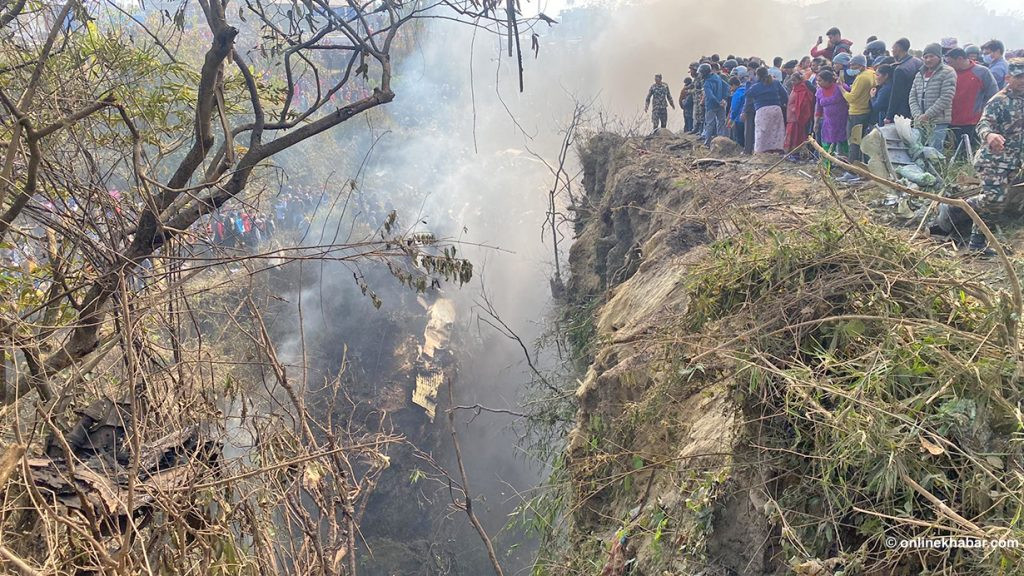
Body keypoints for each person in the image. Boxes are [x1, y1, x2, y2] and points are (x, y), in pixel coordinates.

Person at [943, 59, 1024, 253]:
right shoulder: (999, 100)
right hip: (993, 161)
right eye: (1019, 77)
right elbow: (983, 123)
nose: (1023, 81)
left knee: (997, 204)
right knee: (993, 200)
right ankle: (958, 206)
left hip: (1014, 161)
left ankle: (976, 245)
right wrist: (990, 135)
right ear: (1008, 78)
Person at [910, 43, 957, 151]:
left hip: (938, 120)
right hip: (920, 121)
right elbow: (912, 96)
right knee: (917, 150)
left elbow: (946, 97)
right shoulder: (919, 74)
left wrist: (927, 115)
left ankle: (935, 168)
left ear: (939, 57)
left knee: (933, 151)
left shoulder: (948, 72)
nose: (928, 60)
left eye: (931, 56)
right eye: (925, 57)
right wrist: (917, 115)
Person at [947, 48, 998, 147]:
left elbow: (993, 96)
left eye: (950, 62)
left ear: (960, 59)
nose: (949, 65)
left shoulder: (982, 72)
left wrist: (982, 112)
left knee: (972, 152)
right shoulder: (949, 73)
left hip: (973, 122)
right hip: (952, 122)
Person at [744, 67, 789, 153]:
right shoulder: (776, 82)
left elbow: (747, 94)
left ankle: (762, 152)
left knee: (762, 132)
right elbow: (785, 95)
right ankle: (777, 150)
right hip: (776, 109)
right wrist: (781, 103)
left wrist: (749, 82)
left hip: (762, 111)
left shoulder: (756, 86)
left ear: (757, 75)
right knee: (776, 131)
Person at [842, 54, 877, 163]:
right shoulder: (871, 73)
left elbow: (851, 98)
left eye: (853, 65)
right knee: (863, 143)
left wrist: (841, 88)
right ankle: (864, 168)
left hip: (857, 113)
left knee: (854, 142)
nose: (851, 68)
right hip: (866, 111)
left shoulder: (862, 78)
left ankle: (852, 170)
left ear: (861, 65)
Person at [886, 37, 923, 124]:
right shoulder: (918, 62)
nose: (892, 51)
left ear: (898, 49)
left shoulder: (900, 69)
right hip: (918, 107)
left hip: (903, 111)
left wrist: (888, 116)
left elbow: (895, 95)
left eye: (893, 49)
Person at [815, 70, 850, 159]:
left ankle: (847, 166)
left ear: (828, 81)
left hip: (842, 122)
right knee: (827, 146)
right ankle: (827, 168)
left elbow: (851, 97)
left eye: (820, 80)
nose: (818, 83)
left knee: (844, 145)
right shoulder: (819, 92)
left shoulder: (840, 88)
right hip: (828, 124)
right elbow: (818, 109)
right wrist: (816, 122)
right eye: (817, 80)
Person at [785, 72, 816, 155]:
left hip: (798, 117)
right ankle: (791, 153)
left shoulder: (802, 89)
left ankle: (797, 153)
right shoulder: (795, 88)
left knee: (797, 135)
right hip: (791, 116)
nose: (792, 82)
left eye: (794, 80)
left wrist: (795, 110)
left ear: (800, 80)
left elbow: (804, 103)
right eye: (791, 80)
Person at [700, 63, 729, 146]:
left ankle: (707, 143)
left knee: (709, 124)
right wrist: (723, 99)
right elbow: (726, 86)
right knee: (721, 123)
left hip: (711, 106)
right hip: (721, 105)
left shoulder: (707, 83)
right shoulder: (717, 77)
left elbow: (710, 96)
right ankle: (721, 141)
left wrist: (718, 102)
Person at [727, 76, 747, 147]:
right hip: (749, 117)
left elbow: (735, 108)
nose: (731, 89)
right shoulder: (746, 89)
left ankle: (740, 151)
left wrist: (731, 119)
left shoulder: (737, 93)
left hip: (739, 119)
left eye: (731, 86)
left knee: (739, 138)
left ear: (734, 85)